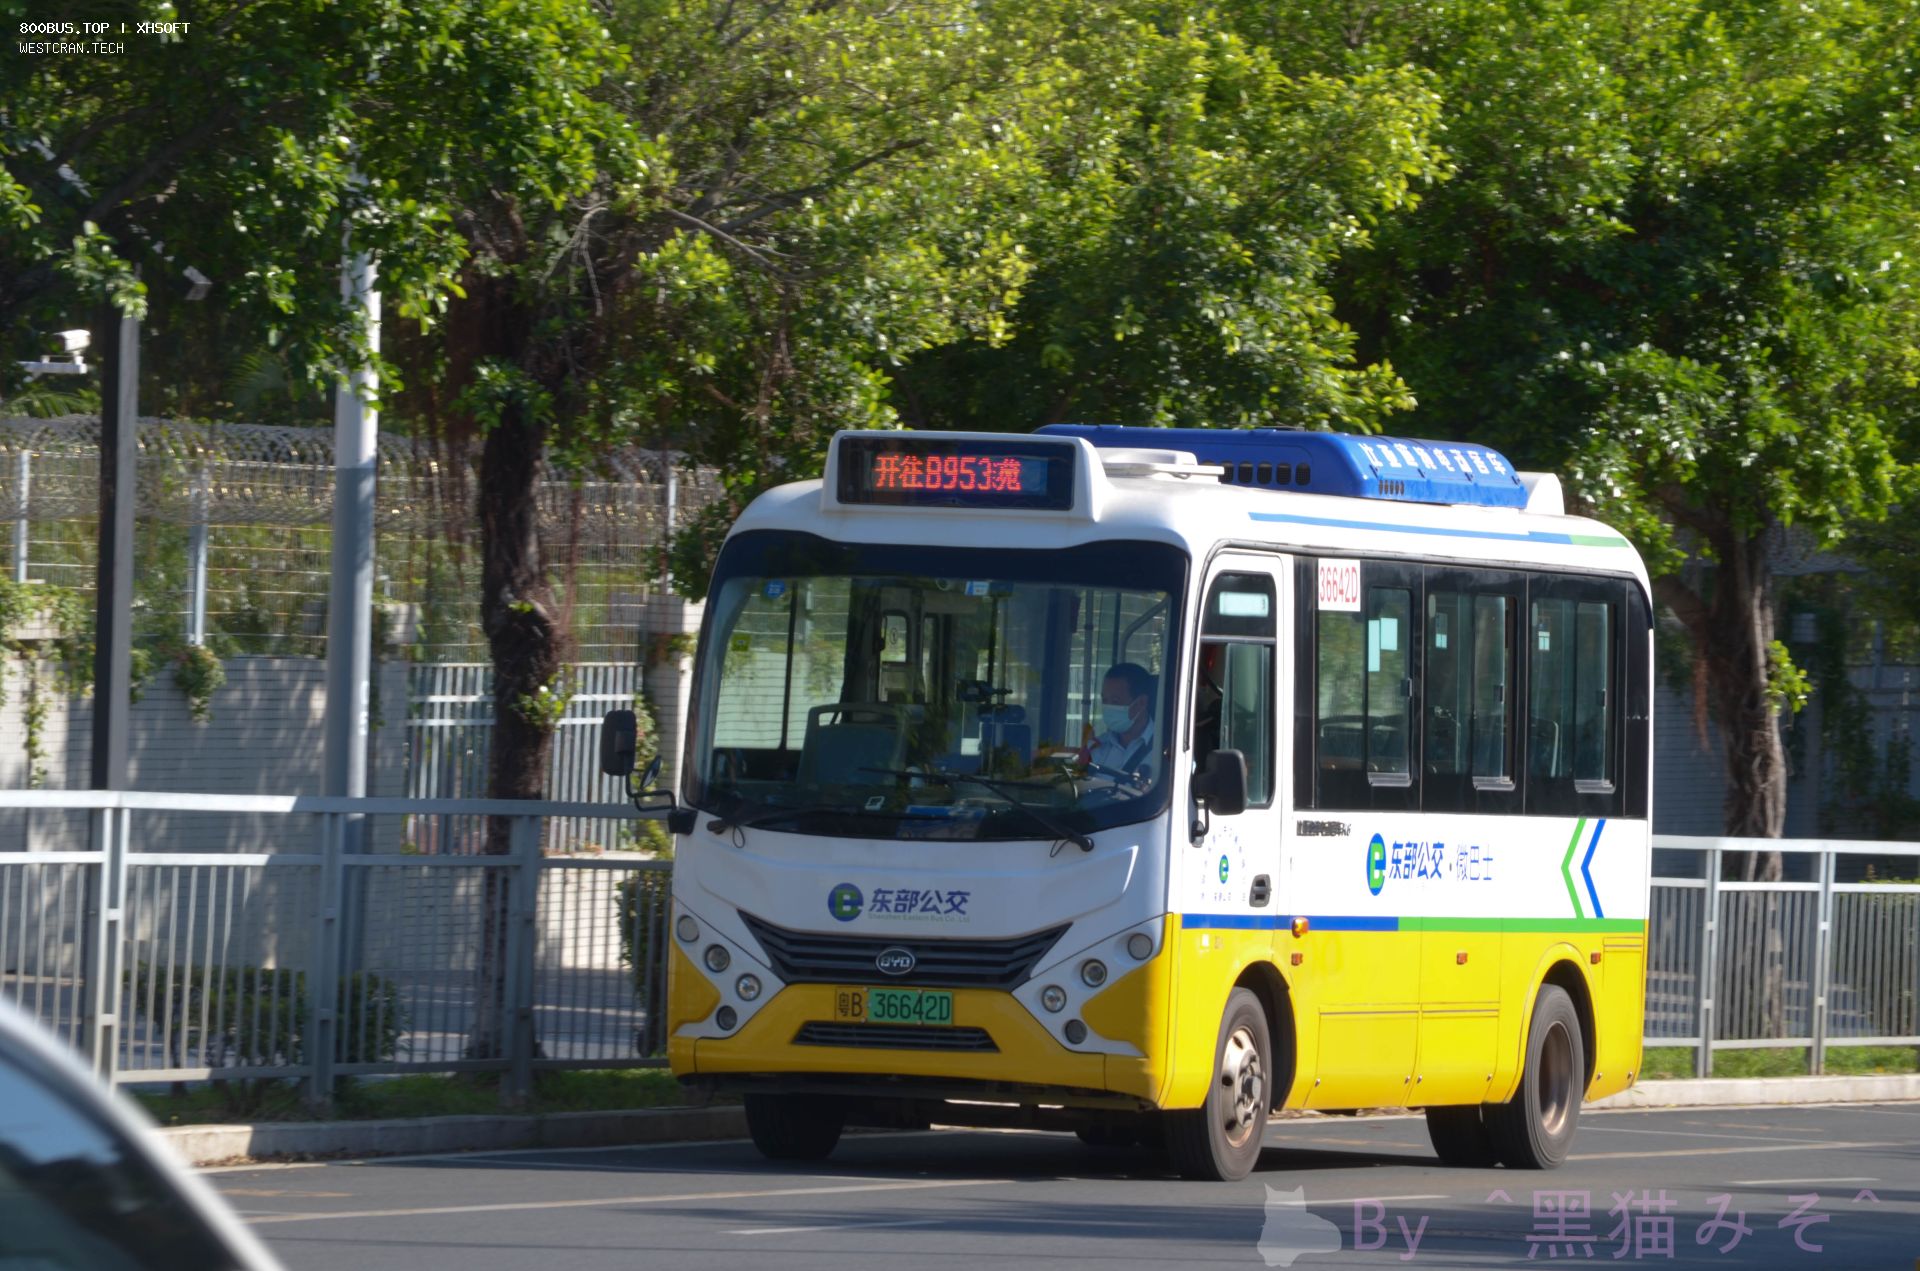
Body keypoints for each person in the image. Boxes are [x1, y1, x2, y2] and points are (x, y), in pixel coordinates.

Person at [1081, 662, 1157, 783]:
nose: (1108, 707)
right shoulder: (1097, 748)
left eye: (1115, 701)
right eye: (1105, 700)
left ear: (1141, 702)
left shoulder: (1166, 751)